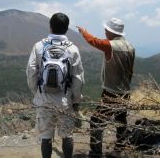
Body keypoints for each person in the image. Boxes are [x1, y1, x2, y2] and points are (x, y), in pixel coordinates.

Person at [27, 13, 84, 158]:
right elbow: (78, 78)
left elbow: (31, 71)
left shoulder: (39, 46)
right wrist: (76, 99)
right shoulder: (72, 49)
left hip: (44, 99)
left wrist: (37, 92)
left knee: (45, 138)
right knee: (67, 135)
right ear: (66, 29)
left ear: (50, 26)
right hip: (65, 100)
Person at [77, 17, 135, 157]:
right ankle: (120, 147)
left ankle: (96, 153)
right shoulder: (130, 46)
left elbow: (93, 41)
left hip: (111, 92)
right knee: (120, 120)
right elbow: (131, 70)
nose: (104, 32)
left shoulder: (110, 45)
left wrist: (83, 32)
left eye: (106, 30)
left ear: (111, 31)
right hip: (125, 91)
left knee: (96, 121)